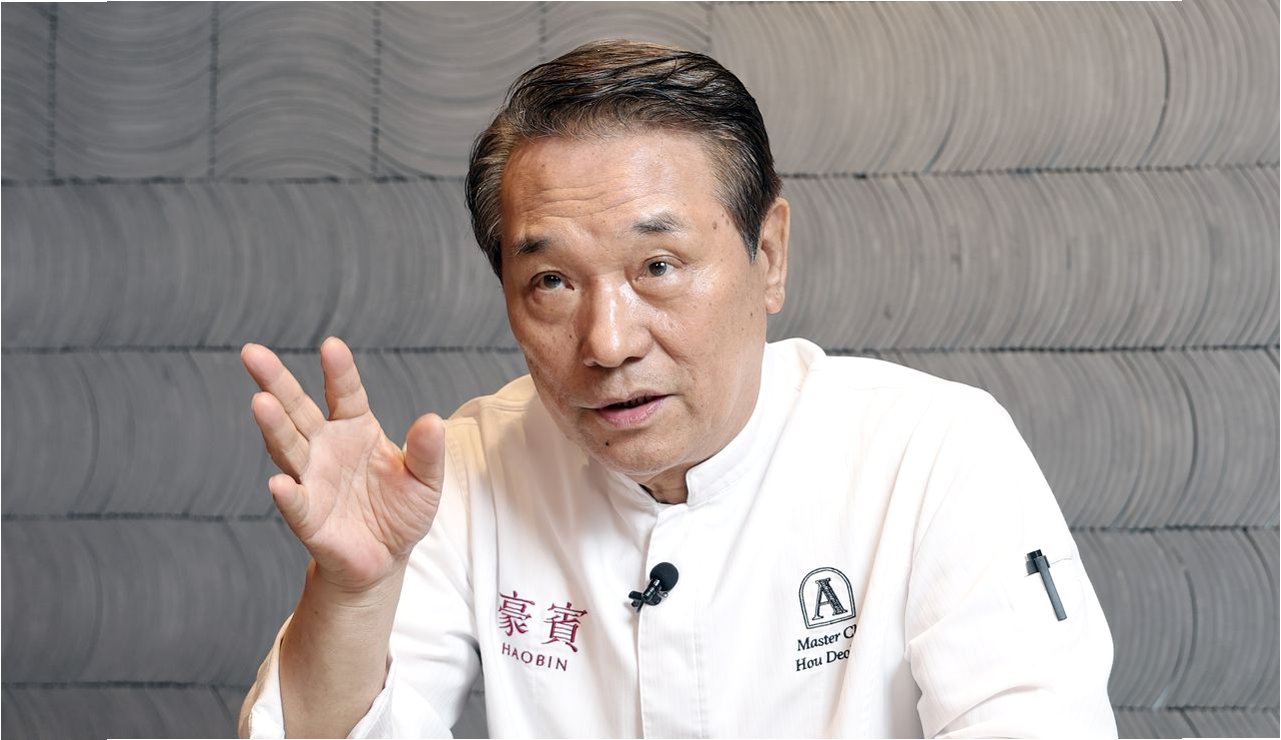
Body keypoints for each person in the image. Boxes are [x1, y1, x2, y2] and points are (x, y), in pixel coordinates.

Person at [239, 40, 1116, 738]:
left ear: (767, 255)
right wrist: (351, 594)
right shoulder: (464, 469)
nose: (607, 343)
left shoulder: (932, 452)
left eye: (657, 266)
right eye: (551, 281)